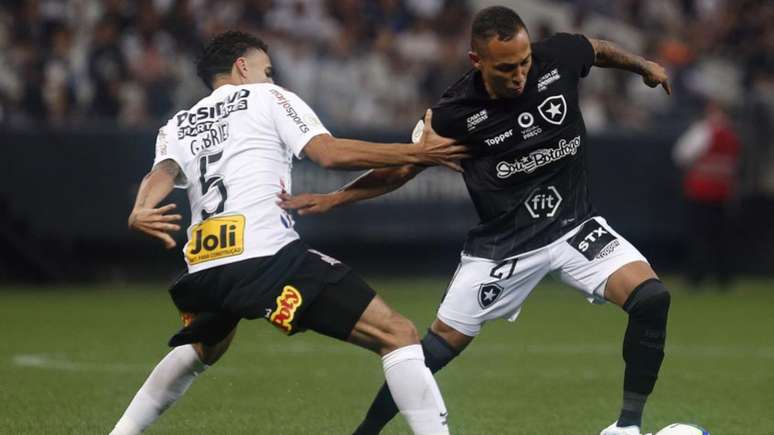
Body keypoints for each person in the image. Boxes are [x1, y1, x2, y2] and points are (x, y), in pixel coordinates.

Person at [279, 6, 673, 435]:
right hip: (504, 247)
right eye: (506, 68)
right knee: (429, 353)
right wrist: (336, 199)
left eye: (524, 63)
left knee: (651, 299)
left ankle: (626, 427)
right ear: (476, 61)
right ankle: (365, 433)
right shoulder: (452, 114)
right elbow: (402, 170)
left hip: (574, 227)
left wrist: (643, 66)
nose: (520, 75)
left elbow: (594, 49)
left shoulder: (556, 57)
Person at [109, 30, 468, 435]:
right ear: (242, 67)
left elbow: (161, 174)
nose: (271, 76)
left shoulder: (180, 123)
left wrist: (140, 208)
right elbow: (328, 154)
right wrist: (419, 152)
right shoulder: (267, 96)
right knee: (398, 334)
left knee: (205, 346)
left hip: (206, 268)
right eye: (267, 68)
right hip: (267, 257)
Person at [673, 100, 740, 289]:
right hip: (706, 192)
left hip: (711, 192)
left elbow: (681, 155)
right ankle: (708, 277)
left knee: (709, 237)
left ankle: (709, 277)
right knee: (708, 237)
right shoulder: (718, 132)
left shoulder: (706, 131)